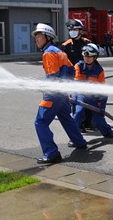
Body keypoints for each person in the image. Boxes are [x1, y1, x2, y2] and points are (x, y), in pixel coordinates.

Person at [31, 23, 87, 164]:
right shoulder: (59, 51)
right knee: (66, 118)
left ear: (48, 37)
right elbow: (71, 70)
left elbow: (52, 76)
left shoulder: (48, 52)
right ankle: (80, 142)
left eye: (39, 36)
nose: (36, 39)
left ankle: (51, 153)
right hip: (61, 93)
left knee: (40, 122)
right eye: (36, 36)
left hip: (53, 94)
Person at [72, 43, 113, 139]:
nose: (87, 58)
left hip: (94, 96)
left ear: (95, 57)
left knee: (98, 116)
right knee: (78, 112)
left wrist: (101, 105)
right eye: (85, 56)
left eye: (89, 56)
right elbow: (76, 83)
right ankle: (74, 137)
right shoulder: (78, 66)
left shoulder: (99, 70)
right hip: (81, 94)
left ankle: (107, 132)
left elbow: (102, 88)